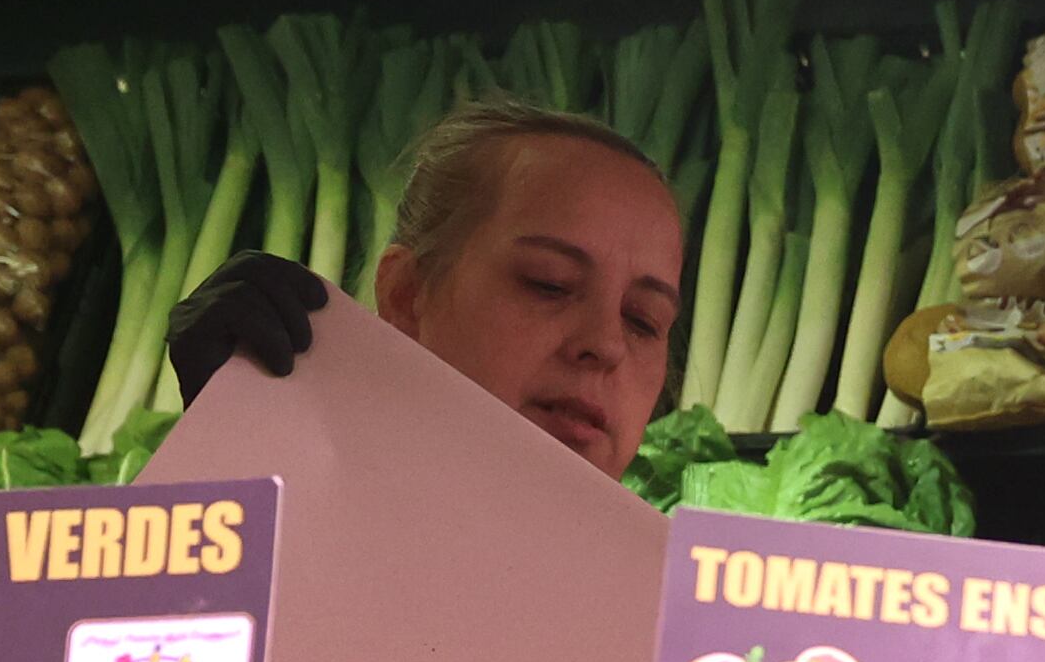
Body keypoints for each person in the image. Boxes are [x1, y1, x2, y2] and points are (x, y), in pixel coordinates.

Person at [159, 98, 685, 477]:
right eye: (549, 284)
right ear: (407, 295)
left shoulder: (689, 622)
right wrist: (221, 458)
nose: (607, 344)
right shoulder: (288, 530)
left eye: (643, 320)